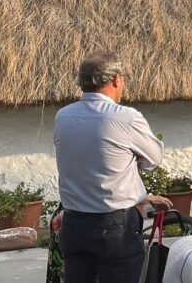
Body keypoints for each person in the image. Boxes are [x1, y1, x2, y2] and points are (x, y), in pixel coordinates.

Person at [54, 51, 171, 283]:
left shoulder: (63, 117)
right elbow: (154, 158)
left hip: (75, 223)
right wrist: (129, 156)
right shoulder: (126, 118)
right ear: (116, 79)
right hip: (114, 225)